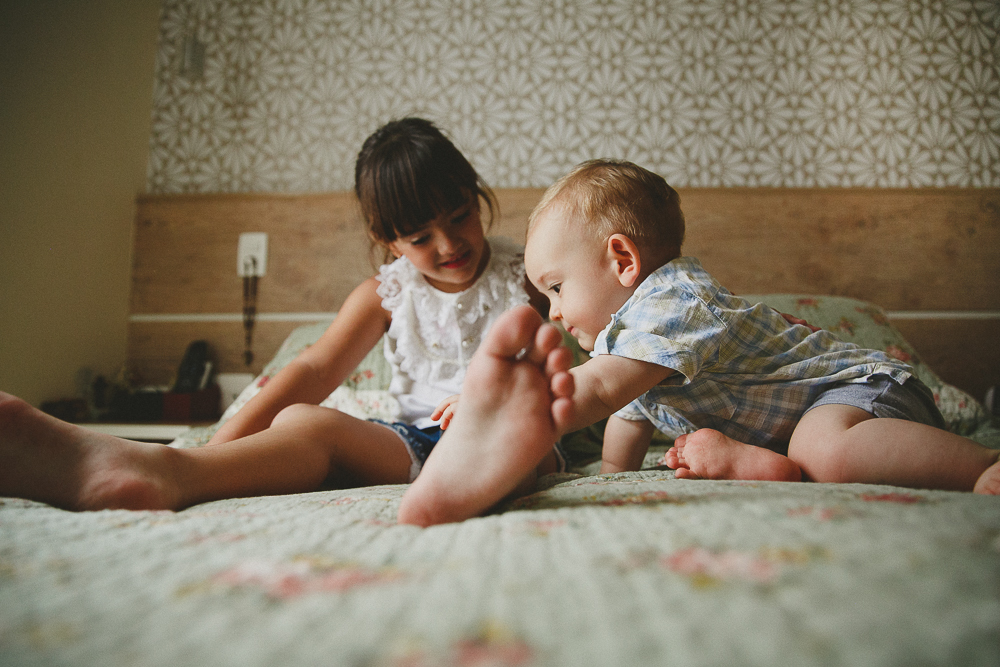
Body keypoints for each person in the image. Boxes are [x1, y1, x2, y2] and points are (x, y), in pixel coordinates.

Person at [397, 158, 1000, 526]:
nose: (552, 313)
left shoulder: (676, 299)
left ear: (623, 260)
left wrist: (515, 411)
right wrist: (609, 480)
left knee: (830, 450)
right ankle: (768, 468)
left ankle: (983, 467)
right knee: (809, 449)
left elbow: (603, 389)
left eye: (556, 288)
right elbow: (626, 421)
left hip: (861, 393)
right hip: (797, 429)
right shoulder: (627, 345)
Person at [0, 117, 559, 512]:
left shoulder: (528, 274)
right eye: (419, 236)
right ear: (387, 242)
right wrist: (218, 447)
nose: (448, 244)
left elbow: (594, 342)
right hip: (415, 442)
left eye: (460, 216)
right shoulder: (384, 295)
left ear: (475, 194)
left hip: (509, 434)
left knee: (518, 449)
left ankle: (483, 479)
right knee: (303, 423)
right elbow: (311, 374)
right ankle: (170, 473)